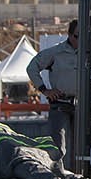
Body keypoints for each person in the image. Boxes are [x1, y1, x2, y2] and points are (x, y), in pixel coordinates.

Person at [26, 19, 80, 160]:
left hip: (81, 104)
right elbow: (32, 67)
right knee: (57, 147)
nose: (79, 40)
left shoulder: (89, 52)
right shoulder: (56, 52)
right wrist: (45, 90)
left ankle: (82, 177)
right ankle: (57, 176)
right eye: (76, 36)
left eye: (83, 37)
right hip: (60, 103)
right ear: (69, 35)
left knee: (82, 147)